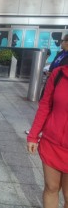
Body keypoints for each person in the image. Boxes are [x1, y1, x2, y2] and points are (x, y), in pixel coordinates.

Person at [27, 65, 68, 208]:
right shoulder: (59, 74)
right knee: (51, 187)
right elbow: (45, 105)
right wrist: (33, 135)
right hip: (52, 142)